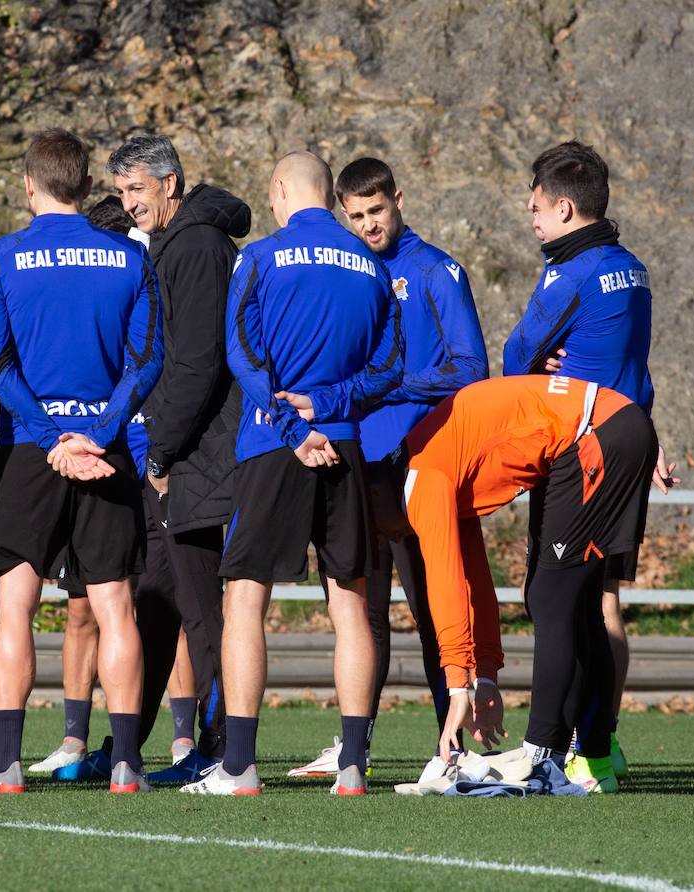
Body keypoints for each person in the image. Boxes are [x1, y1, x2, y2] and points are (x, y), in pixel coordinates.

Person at [182, 151, 402, 798]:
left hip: (275, 448)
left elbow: (243, 357)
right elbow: (390, 366)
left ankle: (240, 766)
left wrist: (291, 429)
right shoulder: (372, 266)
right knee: (351, 604)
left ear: (281, 191)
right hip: (346, 446)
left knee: (245, 601)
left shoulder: (261, 257)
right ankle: (354, 765)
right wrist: (328, 411)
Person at [331, 375, 657, 794]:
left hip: (595, 434)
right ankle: (590, 757)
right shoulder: (431, 461)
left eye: (378, 534)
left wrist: (456, 689)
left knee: (551, 598)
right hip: (615, 425)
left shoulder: (421, 479)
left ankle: (541, 756)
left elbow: (445, 586)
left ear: (374, 499)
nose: (391, 540)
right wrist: (483, 678)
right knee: (575, 603)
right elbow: (475, 583)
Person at [0, 129, 163, 795]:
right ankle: (128, 764)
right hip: (104, 451)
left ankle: (7, 766)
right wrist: (98, 432)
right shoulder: (131, 261)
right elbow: (147, 361)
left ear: (29, 186)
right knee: (115, 606)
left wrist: (51, 437)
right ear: (85, 186)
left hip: (30, 448)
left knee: (15, 604)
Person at [289, 157, 488, 777]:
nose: (370, 225)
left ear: (398, 200)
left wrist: (391, 386)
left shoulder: (436, 270)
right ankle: (356, 746)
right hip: (359, 464)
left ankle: (451, 749)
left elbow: (471, 367)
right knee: (363, 612)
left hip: (423, 462)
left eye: (378, 211)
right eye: (357, 216)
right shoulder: (350, 274)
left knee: (434, 612)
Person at [502, 141, 673, 778]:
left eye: (537, 203)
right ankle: (595, 748)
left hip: (585, 443)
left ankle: (543, 750)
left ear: (566, 208)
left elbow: (516, 357)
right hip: (629, 433)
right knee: (589, 599)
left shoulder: (568, 273)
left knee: (551, 597)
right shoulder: (631, 267)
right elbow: (635, 366)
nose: (530, 210)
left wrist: (545, 368)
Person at [33, 195, 198, 782]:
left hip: (138, 462)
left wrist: (163, 451)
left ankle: (181, 741)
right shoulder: (87, 285)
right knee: (82, 608)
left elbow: (163, 367)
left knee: (156, 597)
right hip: (86, 461)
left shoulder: (144, 279)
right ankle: (74, 740)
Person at [108, 135, 251, 777]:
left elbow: (196, 362)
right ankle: (126, 748)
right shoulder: (179, 240)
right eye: (121, 193)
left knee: (201, 609)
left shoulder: (194, 245)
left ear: (170, 185)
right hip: (184, 449)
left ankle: (221, 752)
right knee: (157, 601)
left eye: (137, 190)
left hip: (200, 453)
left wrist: (161, 456)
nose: (128, 203)